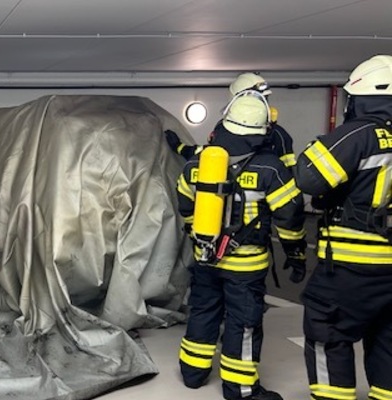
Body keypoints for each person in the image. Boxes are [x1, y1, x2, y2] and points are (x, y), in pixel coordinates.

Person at [175, 94, 307, 400]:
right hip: (245, 268)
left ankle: (192, 374)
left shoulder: (197, 163)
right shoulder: (270, 168)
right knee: (243, 324)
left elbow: (184, 205)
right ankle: (241, 390)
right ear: (261, 130)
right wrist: (296, 254)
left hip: (205, 260)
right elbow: (290, 216)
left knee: (203, 313)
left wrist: (202, 238)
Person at [293, 54, 392, 400]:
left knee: (328, 332)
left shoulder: (359, 134)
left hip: (352, 267)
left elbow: (309, 177)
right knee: (386, 341)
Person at [167, 73, 296, 170]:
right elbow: (210, 153)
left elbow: (288, 172)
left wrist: (179, 147)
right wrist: (179, 147)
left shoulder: (277, 135)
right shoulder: (224, 128)